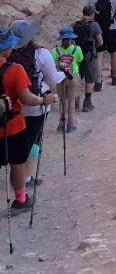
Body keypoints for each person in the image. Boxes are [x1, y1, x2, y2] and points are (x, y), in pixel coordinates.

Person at [0, 27, 56, 212]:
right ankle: (21, 200)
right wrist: (43, 100)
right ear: (7, 49)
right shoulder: (15, 70)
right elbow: (26, 98)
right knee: (17, 163)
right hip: (13, 125)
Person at [9, 21, 64, 187]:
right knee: (34, 140)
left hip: (15, 105)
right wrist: (63, 73)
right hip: (37, 104)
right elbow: (53, 78)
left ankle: (20, 174)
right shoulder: (41, 54)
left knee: (20, 140)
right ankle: (26, 177)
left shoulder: (8, 55)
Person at [72, 4, 103, 113]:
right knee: (90, 78)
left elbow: (71, 41)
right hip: (89, 55)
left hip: (76, 55)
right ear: (92, 13)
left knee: (77, 77)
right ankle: (87, 102)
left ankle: (75, 101)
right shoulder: (94, 25)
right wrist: (94, 47)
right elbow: (100, 42)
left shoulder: (75, 25)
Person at [52, 28, 82, 133]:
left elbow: (54, 64)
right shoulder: (77, 49)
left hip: (60, 77)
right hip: (72, 76)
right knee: (71, 100)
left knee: (62, 100)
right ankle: (70, 123)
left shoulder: (55, 51)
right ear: (71, 38)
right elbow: (80, 59)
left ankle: (61, 122)